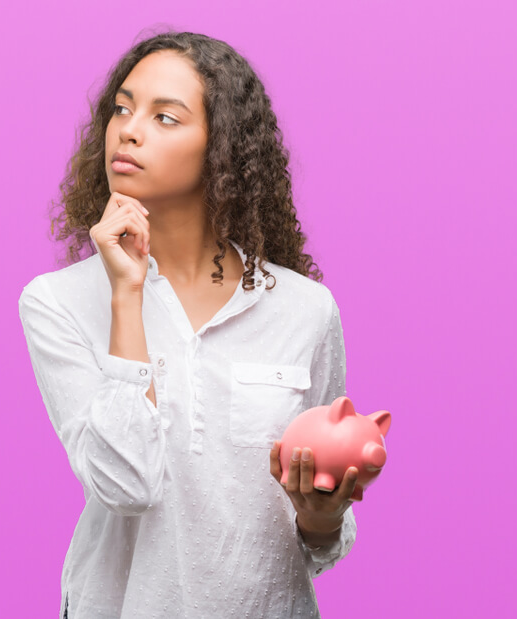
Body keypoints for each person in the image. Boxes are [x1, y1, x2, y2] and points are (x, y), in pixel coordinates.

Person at [18, 31, 360, 618]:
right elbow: (126, 486)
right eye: (122, 108)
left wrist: (322, 516)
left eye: (165, 117)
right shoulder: (58, 302)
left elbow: (318, 539)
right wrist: (127, 296)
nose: (128, 128)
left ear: (220, 149)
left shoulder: (305, 310)